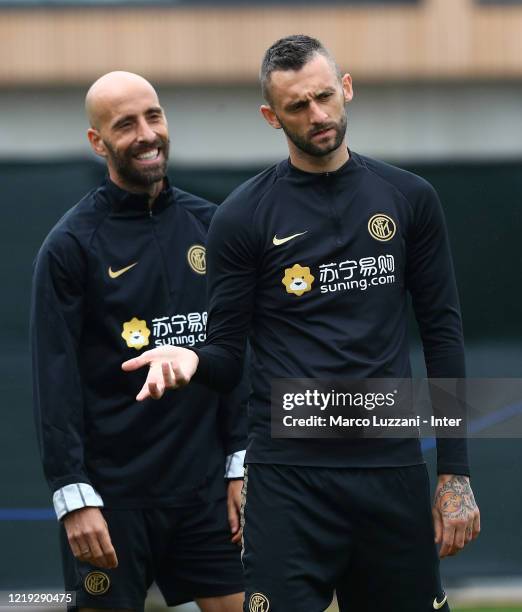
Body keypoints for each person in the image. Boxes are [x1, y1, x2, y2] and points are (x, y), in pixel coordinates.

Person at [122, 36, 481, 612]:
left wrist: (455, 474)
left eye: (323, 97)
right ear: (271, 116)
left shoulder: (410, 197)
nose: (317, 115)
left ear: (346, 87)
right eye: (296, 106)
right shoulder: (243, 215)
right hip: (290, 480)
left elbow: (442, 335)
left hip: (389, 469)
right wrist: (190, 359)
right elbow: (224, 354)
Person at [31, 71, 246, 612]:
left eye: (153, 116)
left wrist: (242, 463)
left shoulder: (212, 225)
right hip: (112, 501)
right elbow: (53, 381)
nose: (146, 134)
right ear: (97, 142)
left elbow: (239, 356)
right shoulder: (70, 246)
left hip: (206, 493)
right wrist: (73, 495)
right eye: (125, 125)